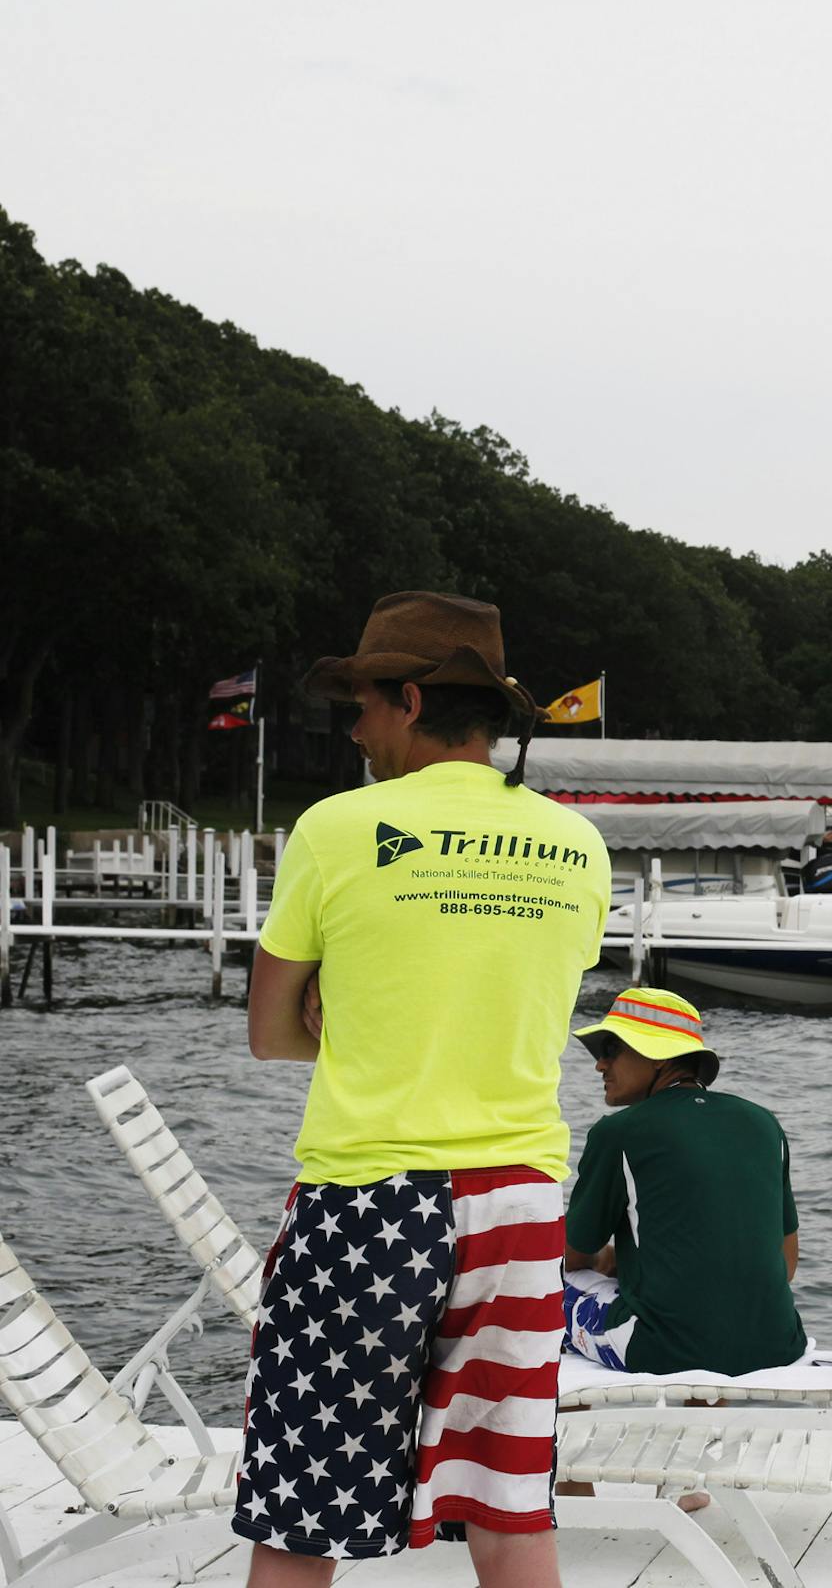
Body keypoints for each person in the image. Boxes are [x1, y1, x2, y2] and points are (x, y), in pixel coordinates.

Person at [238, 591, 612, 1588]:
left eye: (361, 705)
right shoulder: (577, 845)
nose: (354, 729)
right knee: (509, 1507)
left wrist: (343, 1018)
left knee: (303, 1516)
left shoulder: (337, 828)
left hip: (372, 1196)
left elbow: (269, 1035)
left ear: (409, 698)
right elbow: (512, 1002)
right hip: (522, 1209)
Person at [560, 987, 806, 1378]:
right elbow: (786, 1264)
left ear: (658, 1057)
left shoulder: (620, 1133)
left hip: (661, 1352)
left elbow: (571, 1257)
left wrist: (609, 1259)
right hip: (780, 1344)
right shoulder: (764, 1123)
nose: (600, 1066)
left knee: (542, 1285)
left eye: (611, 1049)